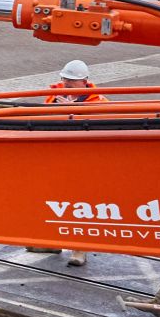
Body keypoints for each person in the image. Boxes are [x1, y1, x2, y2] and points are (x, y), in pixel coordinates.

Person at [44, 60, 100, 267]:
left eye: (71, 82)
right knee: (53, 202)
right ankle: (52, 242)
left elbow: (101, 126)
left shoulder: (98, 102)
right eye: (65, 80)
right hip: (58, 158)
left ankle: (80, 250)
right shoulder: (54, 95)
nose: (66, 84)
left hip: (83, 162)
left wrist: (73, 111)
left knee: (80, 206)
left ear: (84, 82)